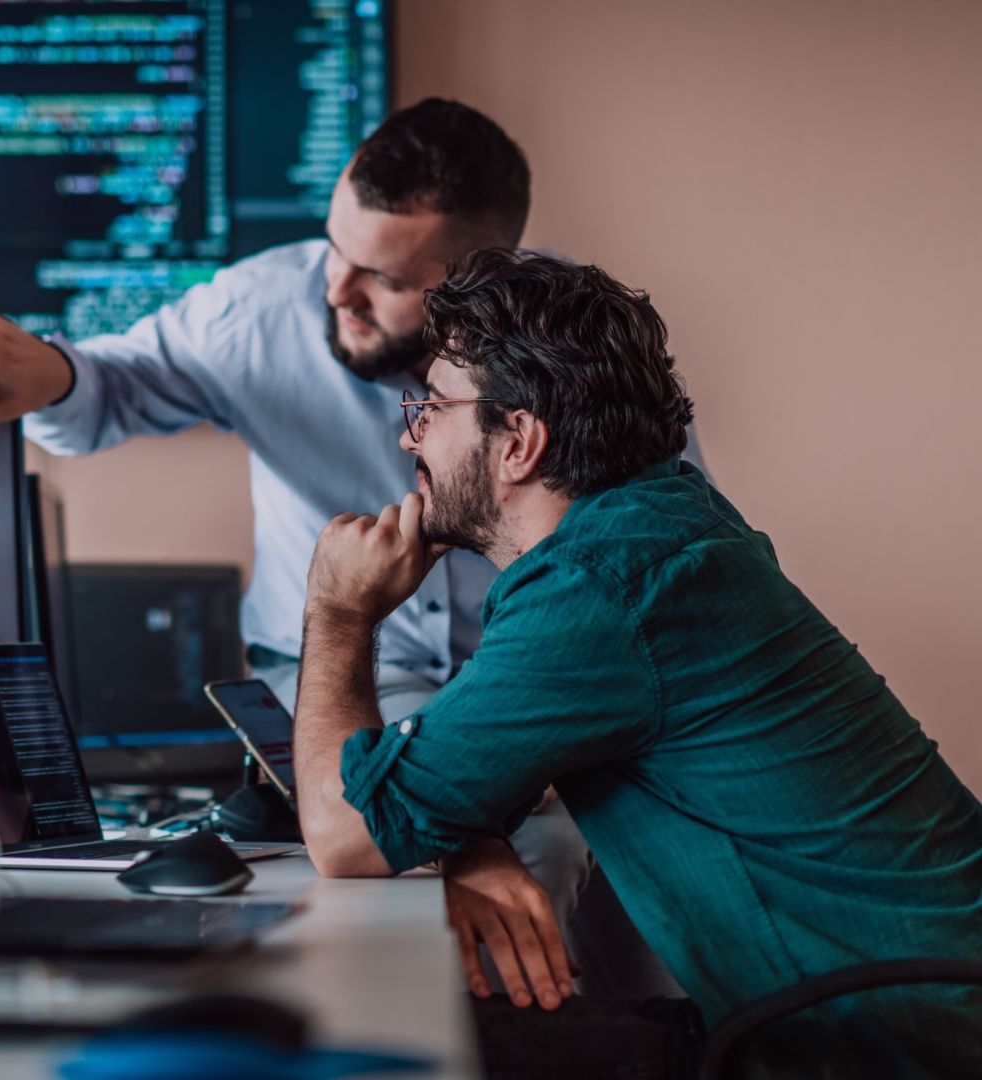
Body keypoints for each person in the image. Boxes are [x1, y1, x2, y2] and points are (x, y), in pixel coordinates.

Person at [0, 99, 704, 999]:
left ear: (478, 282)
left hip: (529, 669)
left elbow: (658, 543)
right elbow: (113, 386)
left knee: (644, 865)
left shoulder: (572, 342)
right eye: (334, 247)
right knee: (534, 852)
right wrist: (52, 374)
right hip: (347, 667)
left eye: (382, 277)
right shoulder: (259, 311)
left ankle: (648, 1041)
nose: (335, 289)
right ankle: (490, 1042)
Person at [293, 249, 982, 1074]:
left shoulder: (598, 588)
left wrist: (339, 611)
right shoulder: (662, 522)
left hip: (876, 1050)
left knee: (385, 1043)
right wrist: (468, 839)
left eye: (432, 407)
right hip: (903, 1015)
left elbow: (343, 834)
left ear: (519, 442)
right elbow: (494, 759)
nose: (409, 434)